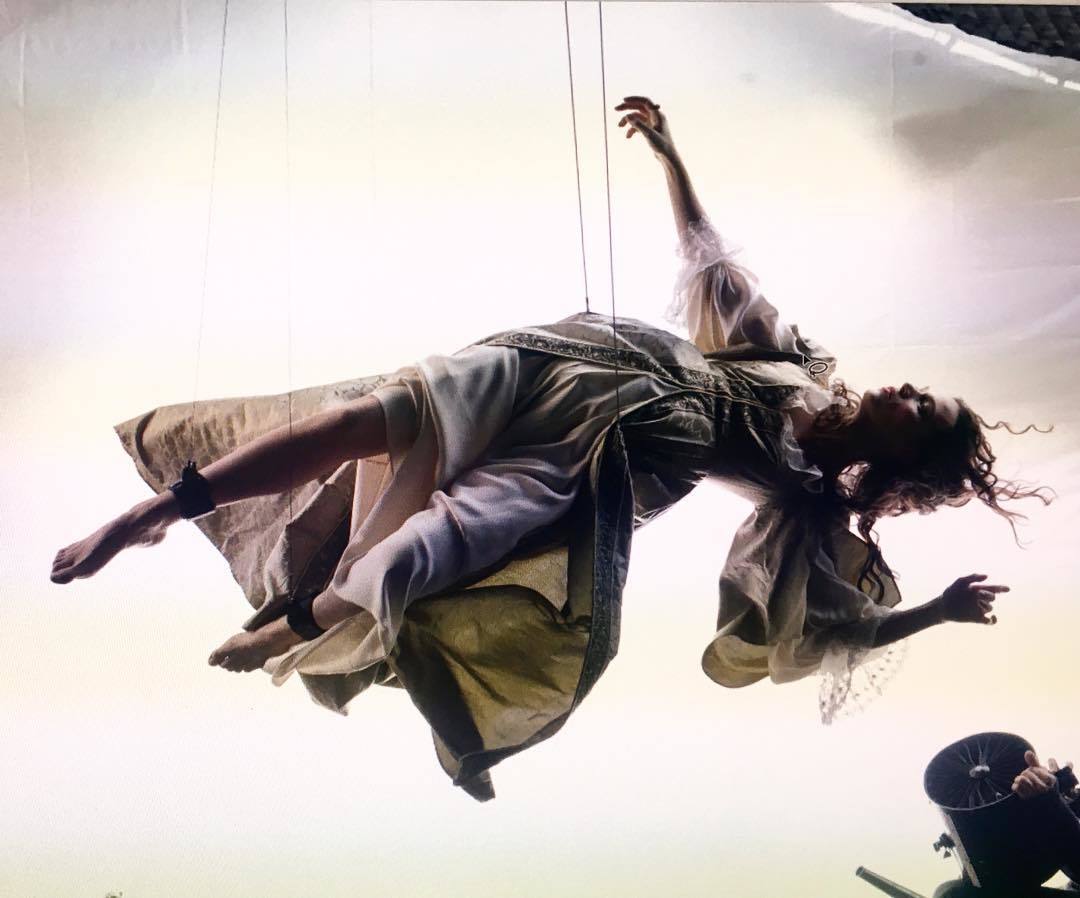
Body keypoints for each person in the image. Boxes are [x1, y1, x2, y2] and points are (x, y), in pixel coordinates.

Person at [49, 96, 1046, 800]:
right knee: (365, 419)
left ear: (911, 455)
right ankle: (152, 513)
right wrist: (670, 156)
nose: (907, 391)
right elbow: (715, 265)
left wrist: (935, 612)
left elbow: (827, 626)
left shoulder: (810, 496)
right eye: (921, 389)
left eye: (924, 409)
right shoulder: (800, 366)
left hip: (611, 459)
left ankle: (297, 628)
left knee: (426, 550)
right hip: (583, 362)